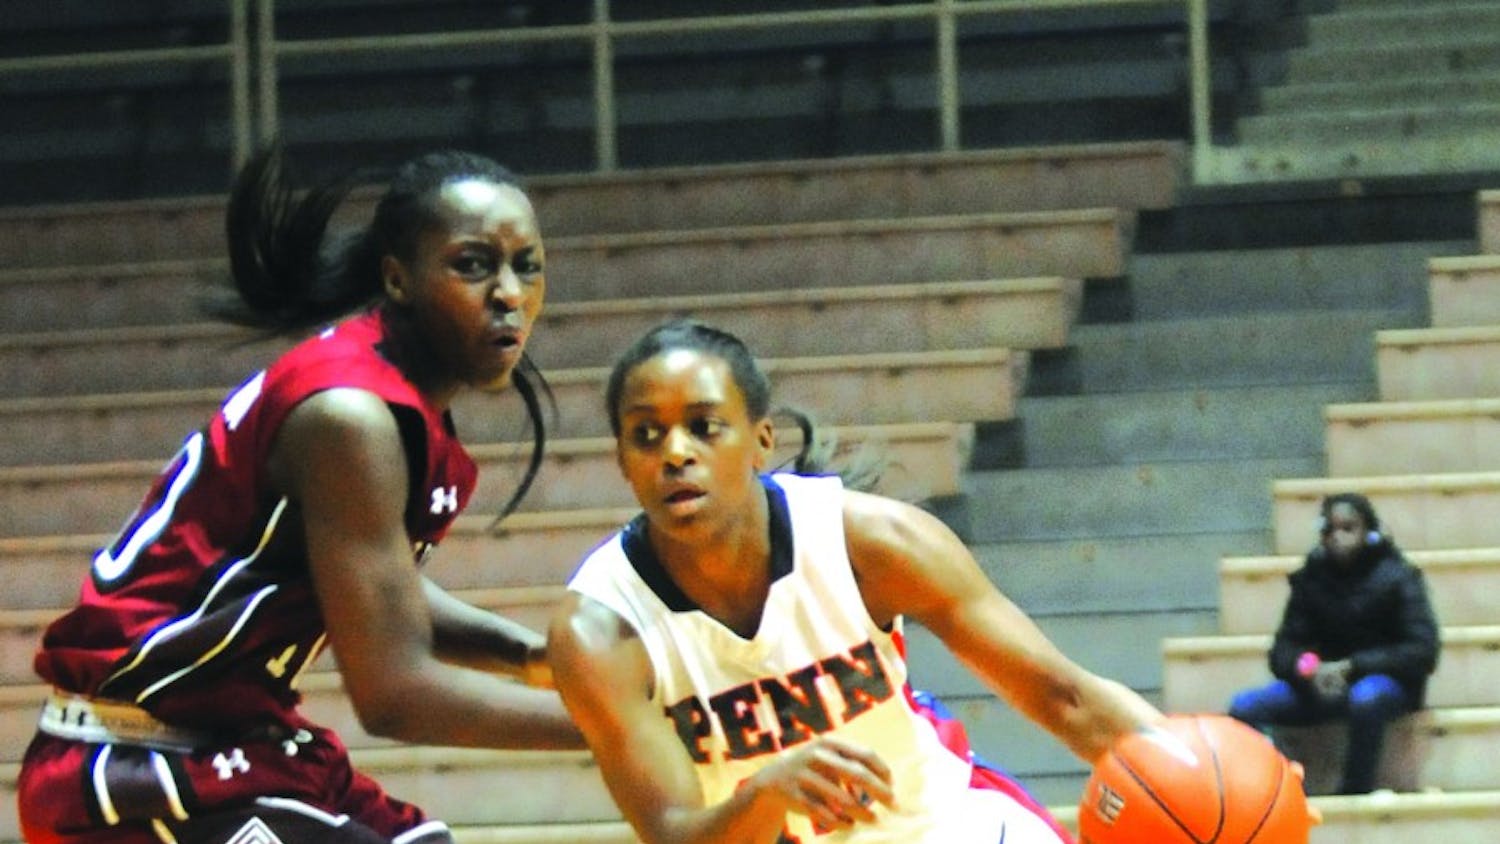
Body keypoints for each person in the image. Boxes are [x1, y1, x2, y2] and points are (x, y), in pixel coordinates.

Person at [18, 145, 583, 843]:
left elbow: (377, 591)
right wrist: (620, 727)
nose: (509, 292)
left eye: (527, 265)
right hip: (132, 762)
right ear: (397, 280)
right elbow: (394, 695)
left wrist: (535, 660)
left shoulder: (385, 397)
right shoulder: (349, 416)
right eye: (473, 264)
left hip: (236, 747)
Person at [546, 318, 1171, 843]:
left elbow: (1068, 699)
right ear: (623, 461)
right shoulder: (600, 628)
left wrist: (1195, 768)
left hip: (943, 827)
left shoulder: (871, 542)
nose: (675, 452)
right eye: (646, 434)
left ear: (760, 441)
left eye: (705, 426)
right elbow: (674, 833)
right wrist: (764, 798)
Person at [1227, 492, 1440, 795]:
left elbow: (1422, 650)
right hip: (1319, 685)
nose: (1337, 537)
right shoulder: (1311, 578)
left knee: (1366, 698)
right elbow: (1283, 650)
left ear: (1368, 532)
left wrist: (1353, 667)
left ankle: (1354, 792)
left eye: (1348, 528)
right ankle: (1273, 790)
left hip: (1384, 685)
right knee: (1245, 706)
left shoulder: (1399, 577)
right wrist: (1309, 669)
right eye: (1329, 529)